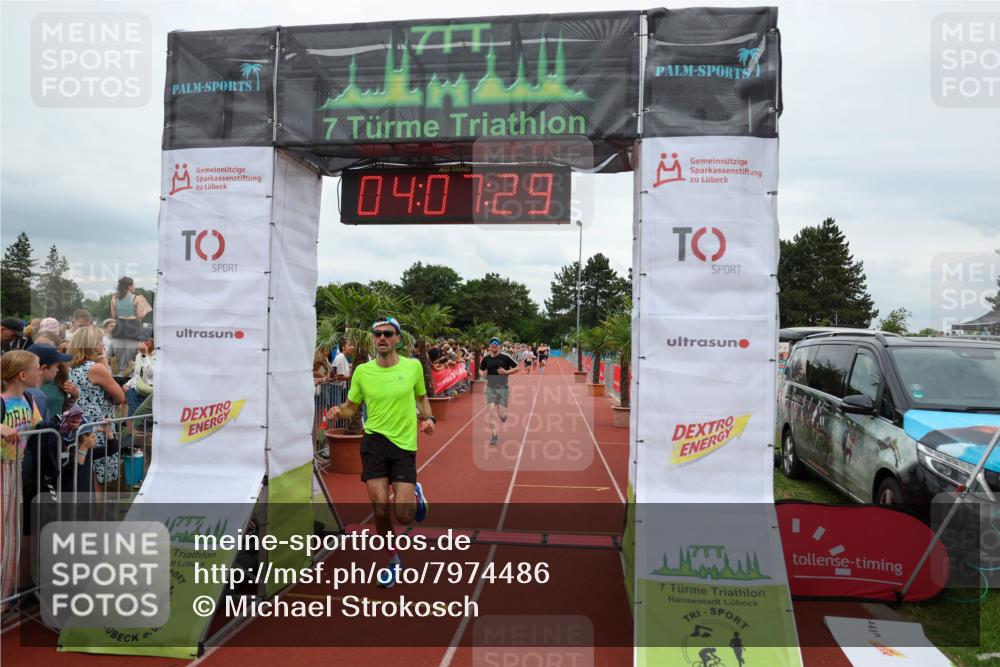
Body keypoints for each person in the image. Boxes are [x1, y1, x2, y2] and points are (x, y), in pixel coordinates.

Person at [325, 316, 434, 588]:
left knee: (404, 516)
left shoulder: (412, 366)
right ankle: (393, 559)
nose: (382, 338)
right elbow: (352, 407)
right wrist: (339, 410)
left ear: (397, 338)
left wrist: (429, 418)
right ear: (373, 339)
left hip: (404, 445)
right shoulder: (362, 372)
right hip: (373, 443)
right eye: (377, 334)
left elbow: (421, 397)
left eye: (387, 333)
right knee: (381, 507)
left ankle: (415, 492)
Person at [1, 350, 43, 609]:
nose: (40, 372)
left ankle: (4, 598)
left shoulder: (29, 399)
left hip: (16, 469)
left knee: (11, 535)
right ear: (23, 375)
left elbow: (39, 426)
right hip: (2, 470)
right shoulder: (2, 401)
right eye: (37, 368)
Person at [68, 326, 125, 493]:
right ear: (92, 345)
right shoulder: (95, 368)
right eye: (100, 341)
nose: (103, 344)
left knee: (84, 476)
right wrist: (104, 364)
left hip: (79, 424)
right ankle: (95, 510)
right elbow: (120, 397)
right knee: (96, 480)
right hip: (98, 427)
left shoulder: (71, 366)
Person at [479, 336, 519, 446]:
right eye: (492, 343)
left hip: (503, 388)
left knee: (501, 414)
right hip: (490, 388)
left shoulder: (505, 357)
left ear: (499, 346)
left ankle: (503, 416)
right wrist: (482, 374)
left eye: (496, 343)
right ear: (489, 346)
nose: (494, 345)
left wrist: (506, 372)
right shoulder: (486, 358)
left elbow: (517, 368)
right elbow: (481, 370)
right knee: (492, 412)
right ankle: (494, 435)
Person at [109, 277, 152, 374]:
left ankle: (115, 360)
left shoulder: (114, 298)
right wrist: (145, 309)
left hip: (119, 324)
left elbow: (113, 315)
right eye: (133, 284)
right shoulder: (136, 298)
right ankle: (130, 362)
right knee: (133, 347)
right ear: (129, 287)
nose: (134, 286)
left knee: (118, 346)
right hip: (132, 325)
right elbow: (140, 315)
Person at [123, 333, 154, 417]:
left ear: (153, 341)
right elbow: (137, 374)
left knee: (143, 420)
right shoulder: (138, 355)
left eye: (146, 340)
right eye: (141, 340)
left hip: (149, 393)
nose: (142, 343)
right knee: (132, 417)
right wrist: (128, 384)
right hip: (136, 391)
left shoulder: (159, 355)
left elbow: (151, 374)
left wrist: (145, 355)